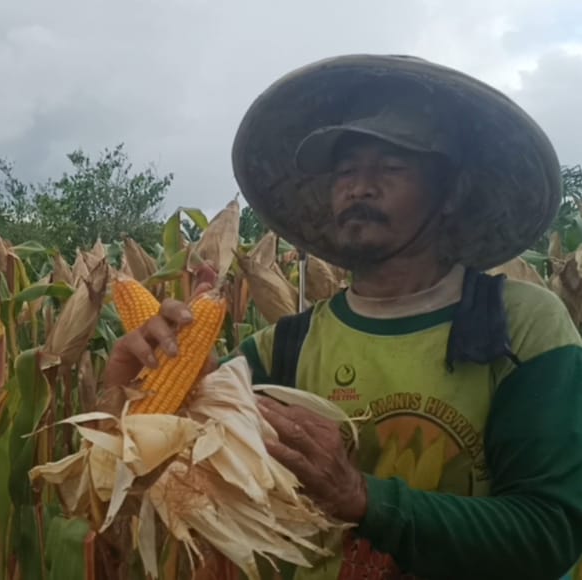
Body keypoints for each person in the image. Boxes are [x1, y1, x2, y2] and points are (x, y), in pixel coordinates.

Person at [104, 55, 582, 579]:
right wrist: (129, 390)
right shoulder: (281, 349)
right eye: (346, 171)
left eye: (391, 168)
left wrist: (362, 498)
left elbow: (550, 530)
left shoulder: (523, 323)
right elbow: (163, 483)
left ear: (452, 194)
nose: (360, 187)